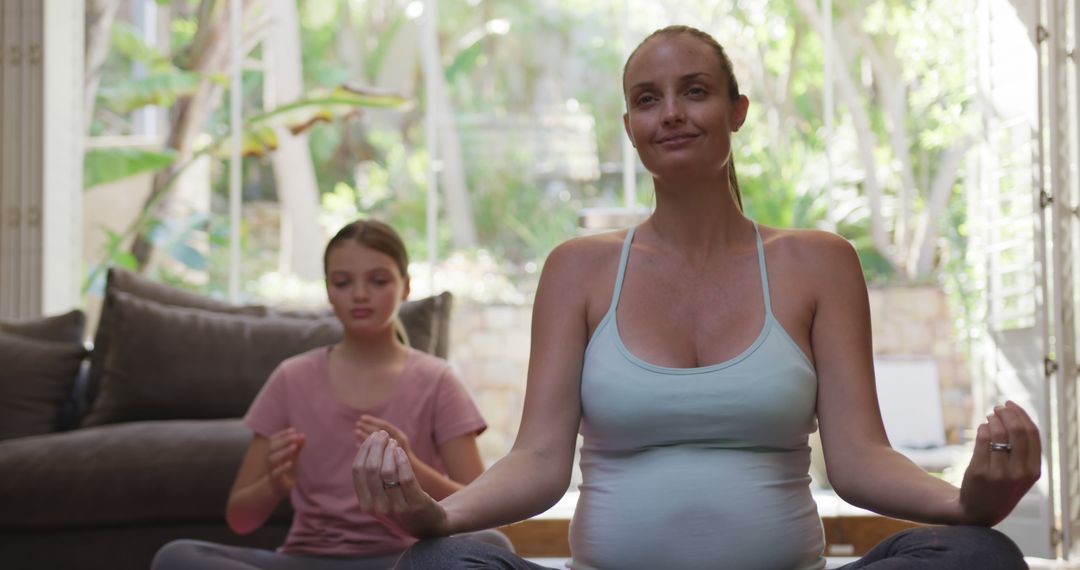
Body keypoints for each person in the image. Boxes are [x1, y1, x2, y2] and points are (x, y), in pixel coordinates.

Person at [350, 26, 1041, 570]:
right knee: (437, 562)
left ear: (737, 110)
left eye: (696, 91)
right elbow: (536, 462)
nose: (672, 113)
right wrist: (437, 518)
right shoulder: (578, 270)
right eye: (648, 99)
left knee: (978, 555)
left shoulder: (817, 263)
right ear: (630, 128)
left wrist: (965, 501)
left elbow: (860, 457)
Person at [152, 219, 510, 570]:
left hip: (406, 561)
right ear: (327, 289)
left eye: (378, 280)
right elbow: (240, 519)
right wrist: (274, 483)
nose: (359, 294)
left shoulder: (437, 380)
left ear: (405, 287)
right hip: (305, 560)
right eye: (343, 282)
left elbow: (481, 511)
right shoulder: (291, 378)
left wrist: (413, 470)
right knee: (176, 557)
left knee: (492, 545)